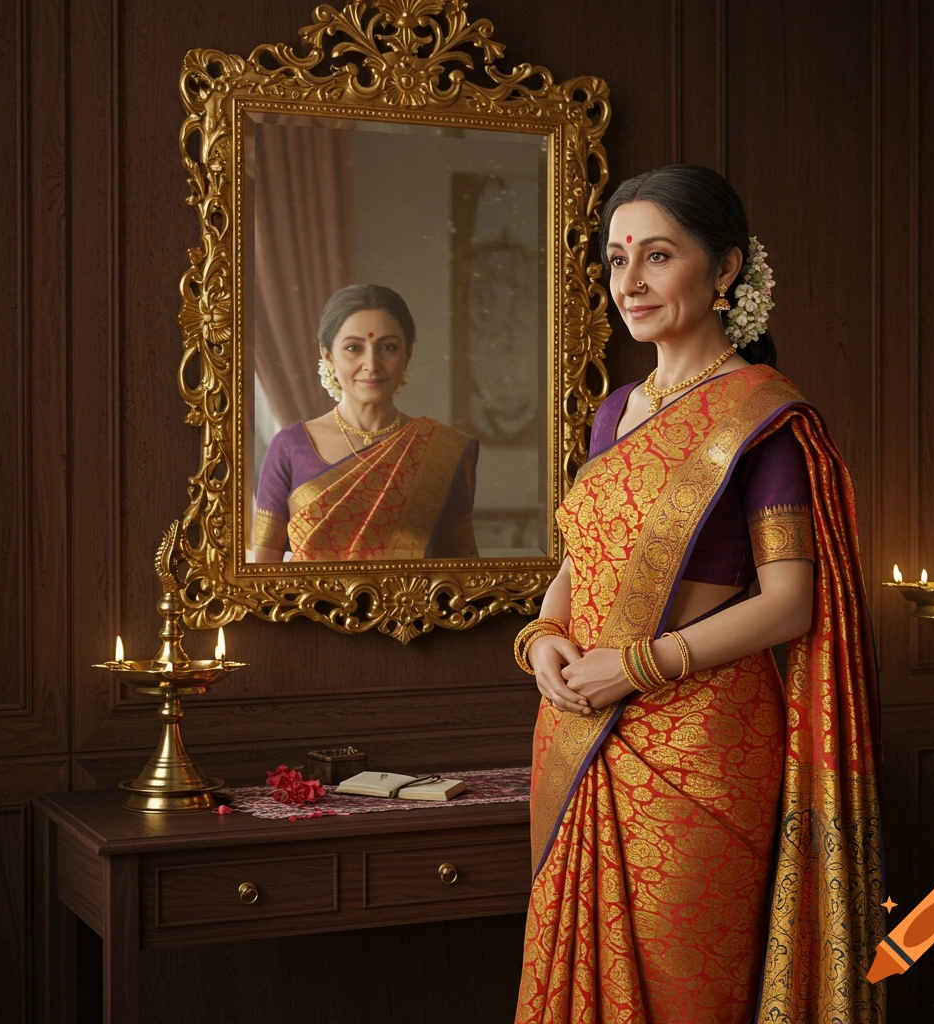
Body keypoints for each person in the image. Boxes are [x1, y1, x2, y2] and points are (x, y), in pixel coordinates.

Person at [513, 165, 884, 1024]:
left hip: (702, 744)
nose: (630, 283)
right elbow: (583, 555)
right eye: (615, 260)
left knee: (689, 991)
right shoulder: (616, 412)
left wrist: (636, 665)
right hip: (581, 725)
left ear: (724, 271)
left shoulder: (764, 418)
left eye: (657, 255)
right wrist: (542, 637)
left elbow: (792, 602)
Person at [253, 284, 479, 561]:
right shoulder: (290, 446)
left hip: (411, 605)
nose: (372, 364)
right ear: (328, 356)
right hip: (307, 605)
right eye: (353, 348)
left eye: (388, 347)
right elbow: (265, 565)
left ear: (407, 354)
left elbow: (463, 563)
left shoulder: (443, 450)